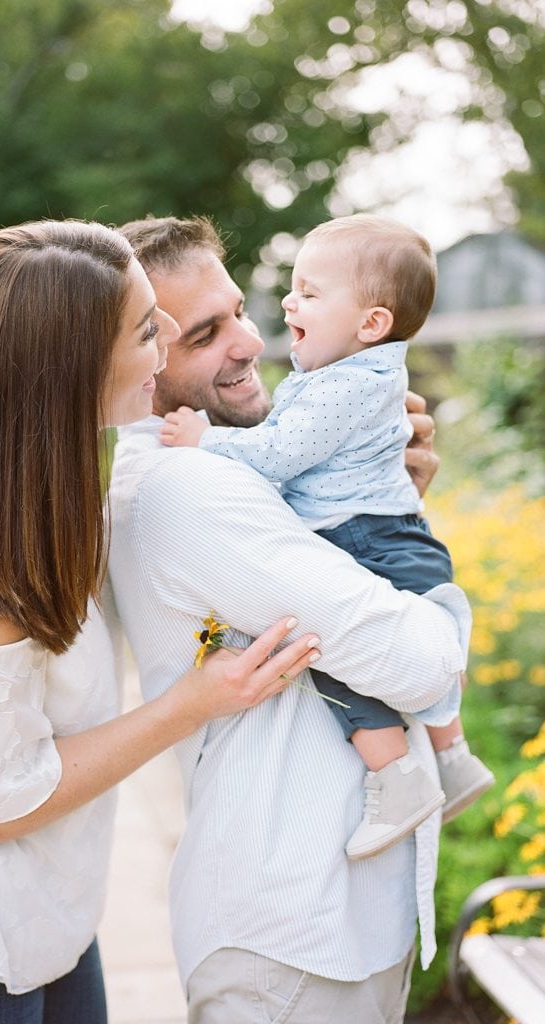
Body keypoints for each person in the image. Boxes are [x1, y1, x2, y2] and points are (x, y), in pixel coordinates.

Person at [0, 219, 321, 1024]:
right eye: (149, 328)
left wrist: (367, 489)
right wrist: (192, 703)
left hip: (47, 919)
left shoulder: (34, 486)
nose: (170, 337)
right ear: (68, 369)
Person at [108, 214, 472, 1024]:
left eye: (239, 310)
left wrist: (382, 506)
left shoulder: (248, 473)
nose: (246, 342)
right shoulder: (189, 488)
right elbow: (421, 664)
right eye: (204, 333)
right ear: (135, 362)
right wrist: (421, 592)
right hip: (293, 936)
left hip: (327, 921)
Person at [159, 213, 494, 861]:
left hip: (367, 538)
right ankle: (449, 759)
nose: (286, 303)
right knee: (348, 638)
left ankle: (394, 776)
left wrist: (207, 438)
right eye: (293, 287)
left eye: (309, 293)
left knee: (329, 654)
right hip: (383, 534)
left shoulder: (343, 383)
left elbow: (282, 453)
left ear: (370, 324)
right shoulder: (356, 377)